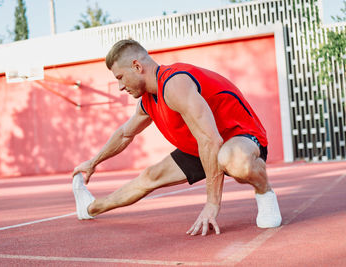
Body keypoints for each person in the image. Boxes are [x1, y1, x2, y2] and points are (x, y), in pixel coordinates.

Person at [72, 39, 282, 236]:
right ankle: (90, 208)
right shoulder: (147, 100)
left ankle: (265, 192)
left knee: (232, 161)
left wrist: (212, 203)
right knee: (150, 177)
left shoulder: (175, 84)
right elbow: (125, 133)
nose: (120, 86)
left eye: (120, 77)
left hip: (239, 137)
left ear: (137, 67)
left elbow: (211, 140)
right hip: (201, 145)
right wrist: (94, 162)